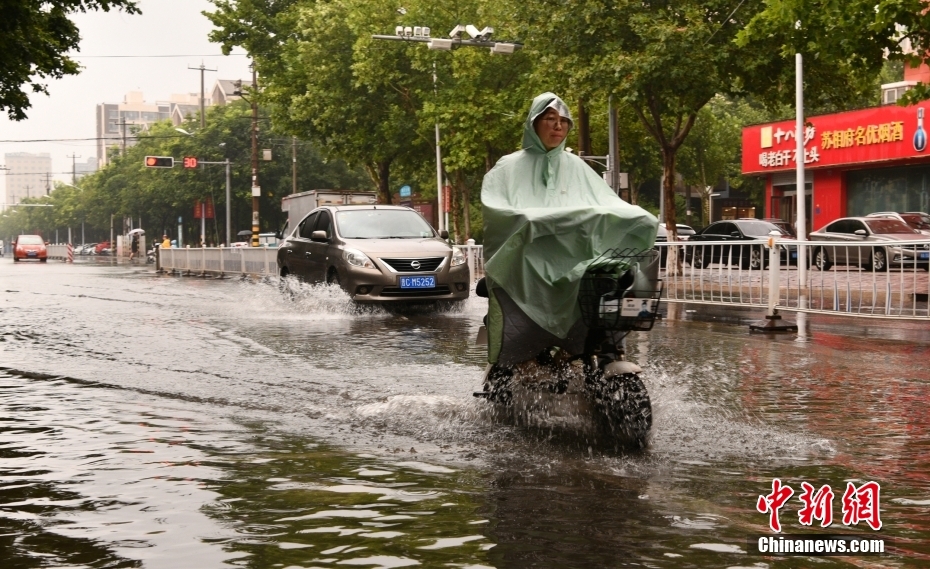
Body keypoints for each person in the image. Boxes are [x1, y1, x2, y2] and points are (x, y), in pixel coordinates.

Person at [480, 92, 658, 366]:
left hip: (575, 263)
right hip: (528, 262)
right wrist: (529, 221)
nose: (558, 126)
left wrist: (639, 217)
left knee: (606, 286)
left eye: (564, 120)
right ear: (533, 123)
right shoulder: (508, 167)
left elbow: (606, 203)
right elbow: (497, 211)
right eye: (550, 119)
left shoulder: (577, 166)